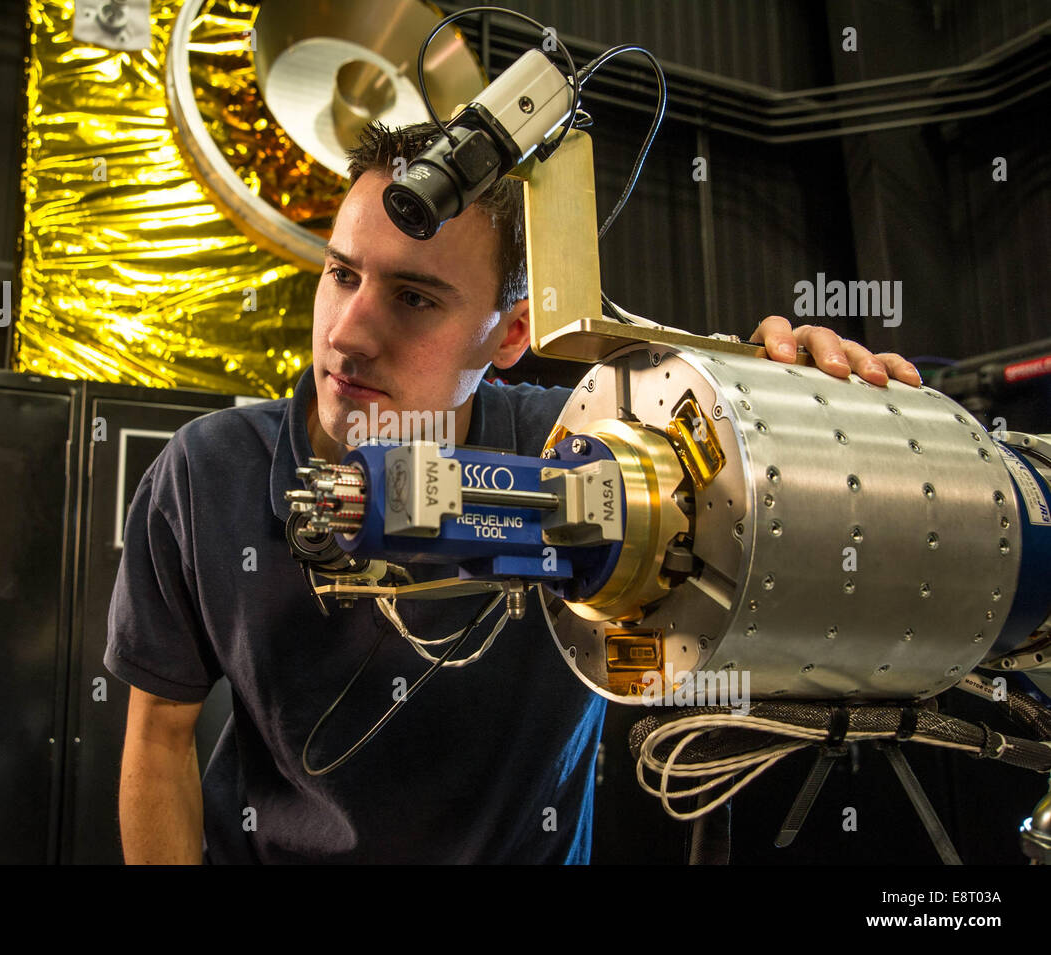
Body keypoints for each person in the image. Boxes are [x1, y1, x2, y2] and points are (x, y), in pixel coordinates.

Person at [105, 121, 921, 864]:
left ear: (512, 333)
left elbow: (761, 518)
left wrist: (804, 422)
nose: (348, 333)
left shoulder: (590, 449)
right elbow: (158, 738)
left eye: (414, 297)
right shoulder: (204, 475)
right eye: (341, 274)